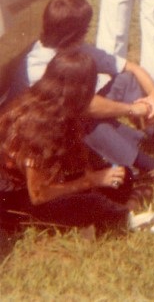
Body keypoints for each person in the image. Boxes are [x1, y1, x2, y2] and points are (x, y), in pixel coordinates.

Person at [24, 0, 154, 198]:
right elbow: (83, 106)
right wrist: (131, 109)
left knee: (125, 80)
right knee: (88, 123)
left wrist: (153, 96)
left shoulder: (71, 47)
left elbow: (130, 67)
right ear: (70, 34)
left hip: (78, 111)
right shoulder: (39, 65)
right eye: (84, 29)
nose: (86, 33)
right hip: (54, 135)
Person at [0, 49, 131, 235]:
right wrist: (88, 181)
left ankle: (93, 222)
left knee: (123, 177)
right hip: (12, 198)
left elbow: (71, 161)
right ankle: (124, 218)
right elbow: (38, 195)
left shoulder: (56, 109)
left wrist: (92, 175)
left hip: (37, 183)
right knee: (94, 203)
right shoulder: (39, 127)